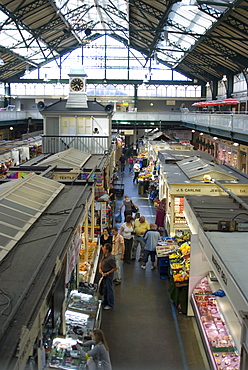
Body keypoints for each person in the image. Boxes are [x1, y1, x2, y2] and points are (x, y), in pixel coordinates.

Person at [99, 243, 118, 310]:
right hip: (104, 275)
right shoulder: (104, 255)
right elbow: (101, 262)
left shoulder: (110, 259)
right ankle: (105, 301)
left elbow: (115, 267)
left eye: (104, 248)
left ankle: (110, 304)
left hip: (108, 277)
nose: (102, 248)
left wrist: (107, 273)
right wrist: (100, 269)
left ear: (107, 250)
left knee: (109, 290)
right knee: (105, 289)